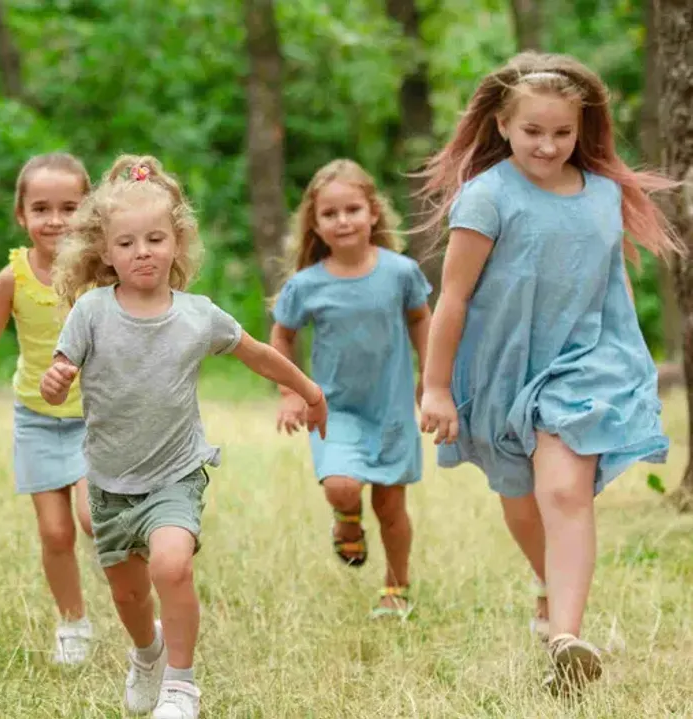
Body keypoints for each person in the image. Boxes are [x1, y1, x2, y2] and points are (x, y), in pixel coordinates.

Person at [415, 52, 679, 694]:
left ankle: (566, 638)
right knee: (521, 499)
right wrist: (438, 386)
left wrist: (625, 358)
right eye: (533, 131)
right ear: (503, 124)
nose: (548, 145)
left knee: (563, 492)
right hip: (505, 368)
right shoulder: (486, 198)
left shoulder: (604, 195)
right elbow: (453, 298)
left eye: (563, 133)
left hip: (587, 363)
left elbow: (604, 286)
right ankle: (549, 588)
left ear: (581, 129)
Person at [41, 155, 327, 719]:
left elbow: (259, 354)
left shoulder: (198, 316)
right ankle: (146, 654)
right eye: (126, 243)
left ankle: (180, 683)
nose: (142, 251)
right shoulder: (91, 312)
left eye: (154, 238)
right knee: (127, 594)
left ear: (178, 242)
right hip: (109, 481)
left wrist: (307, 391)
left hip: (175, 473)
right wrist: (54, 382)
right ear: (105, 251)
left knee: (171, 566)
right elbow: (58, 384)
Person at [271, 158, 431, 620]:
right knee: (341, 486)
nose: (343, 221)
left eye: (352, 209)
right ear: (316, 225)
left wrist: (430, 377)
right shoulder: (306, 284)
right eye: (330, 214)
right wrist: (290, 393)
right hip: (333, 408)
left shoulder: (401, 273)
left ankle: (396, 587)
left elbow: (422, 319)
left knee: (390, 504)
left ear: (373, 212)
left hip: (392, 409)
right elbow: (282, 335)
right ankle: (346, 519)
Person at [0, 153, 96, 665]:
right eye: (41, 208)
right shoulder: (12, 278)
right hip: (37, 418)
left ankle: (140, 603)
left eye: (69, 207)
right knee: (54, 532)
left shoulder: (103, 273)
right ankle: (74, 623)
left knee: (92, 519)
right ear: (21, 215)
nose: (55, 220)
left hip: (94, 419)